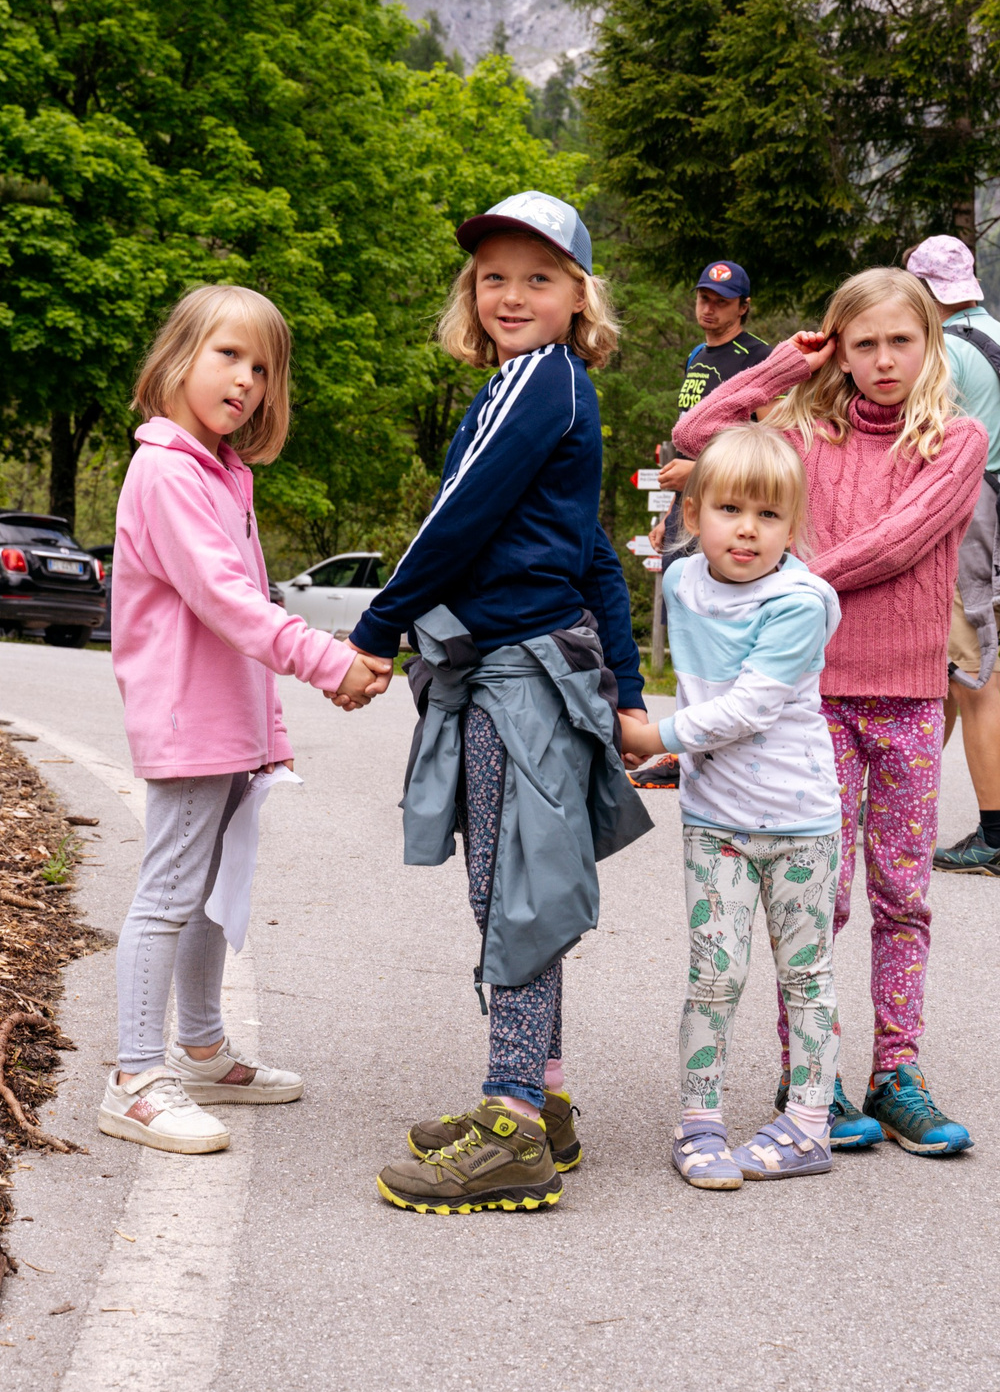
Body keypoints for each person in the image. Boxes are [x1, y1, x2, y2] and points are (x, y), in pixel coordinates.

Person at [353, 191, 654, 1214]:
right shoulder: (533, 389)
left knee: (513, 890)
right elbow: (594, 556)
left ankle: (514, 1120)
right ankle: (546, 1101)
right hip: (517, 662)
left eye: (539, 277)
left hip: (521, 672)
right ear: (469, 294)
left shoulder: (540, 384)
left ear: (579, 296)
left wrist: (375, 628)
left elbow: (456, 520)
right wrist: (627, 689)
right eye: (493, 277)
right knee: (504, 881)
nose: (511, 294)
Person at [674, 266, 986, 1156]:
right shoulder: (803, 433)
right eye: (864, 343)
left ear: (931, 344)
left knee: (904, 891)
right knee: (822, 897)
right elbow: (698, 435)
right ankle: (811, 1073)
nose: (884, 360)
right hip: (812, 702)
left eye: (902, 341)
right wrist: (777, 366)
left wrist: (790, 584)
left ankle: (898, 1072)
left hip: (910, 700)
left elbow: (900, 542)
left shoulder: (954, 441)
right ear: (839, 351)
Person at [101, 284, 394, 1154]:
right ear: (179, 354)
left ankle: (199, 1047)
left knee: (212, 891)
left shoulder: (223, 471)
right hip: (189, 718)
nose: (246, 380)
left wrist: (273, 717)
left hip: (229, 719)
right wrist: (328, 660)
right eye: (228, 355)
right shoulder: (167, 471)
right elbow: (230, 603)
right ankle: (133, 1075)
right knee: (169, 893)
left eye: (262, 367)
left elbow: (240, 607)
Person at [615, 425, 843, 1189]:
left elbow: (748, 707)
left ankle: (810, 1124)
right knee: (713, 975)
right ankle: (699, 1118)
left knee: (806, 976)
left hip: (802, 824)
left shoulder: (801, 601)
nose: (747, 528)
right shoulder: (681, 582)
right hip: (716, 825)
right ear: (694, 515)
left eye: (770, 515)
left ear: (793, 525)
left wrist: (657, 735)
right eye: (729, 508)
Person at [908, 235, 1000, 880]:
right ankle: (886, 806)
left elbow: (920, 444)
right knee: (940, 676)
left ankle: (997, 840)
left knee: (972, 677)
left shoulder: (944, 351)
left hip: (965, 517)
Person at [632, 260, 771, 791]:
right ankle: (683, 747)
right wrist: (672, 512)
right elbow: (689, 442)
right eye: (702, 297)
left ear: (743, 305)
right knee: (684, 622)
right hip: (687, 508)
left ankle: (719, 745)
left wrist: (702, 474)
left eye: (721, 299)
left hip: (728, 509)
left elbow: (770, 443)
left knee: (721, 626)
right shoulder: (695, 356)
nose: (708, 307)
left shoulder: (757, 356)